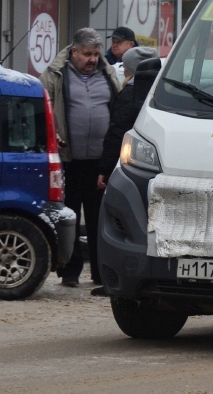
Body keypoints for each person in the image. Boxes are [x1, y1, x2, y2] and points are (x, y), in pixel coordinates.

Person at [42, 27, 121, 288]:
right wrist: (54, 136)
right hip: (69, 160)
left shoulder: (108, 75)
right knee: (71, 217)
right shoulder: (56, 75)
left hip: (101, 163)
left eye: (96, 54)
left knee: (100, 219)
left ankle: (100, 272)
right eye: (87, 54)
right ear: (73, 51)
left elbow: (118, 112)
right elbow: (45, 109)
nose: (92, 60)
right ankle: (71, 271)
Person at [92, 45, 158, 296]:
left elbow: (117, 132)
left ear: (128, 71)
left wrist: (105, 169)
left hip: (127, 168)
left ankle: (110, 277)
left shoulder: (128, 95)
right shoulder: (165, 94)